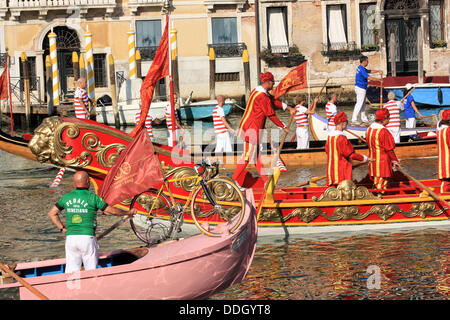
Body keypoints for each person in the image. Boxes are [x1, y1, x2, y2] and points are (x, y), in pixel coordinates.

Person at [47, 171, 136, 273]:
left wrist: (62, 228)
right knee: (91, 272)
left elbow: (52, 213)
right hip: (87, 239)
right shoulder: (93, 197)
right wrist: (128, 212)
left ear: (75, 183)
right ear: (87, 181)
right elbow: (112, 211)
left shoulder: (66, 197)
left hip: (71, 239)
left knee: (71, 272)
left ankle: (72, 287)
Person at [232, 72, 292, 188]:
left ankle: (266, 182)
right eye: (273, 82)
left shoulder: (258, 91)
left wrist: (288, 108)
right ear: (268, 82)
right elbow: (270, 114)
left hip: (252, 128)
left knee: (256, 157)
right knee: (247, 157)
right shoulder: (261, 96)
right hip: (251, 129)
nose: (274, 84)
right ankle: (232, 182)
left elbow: (274, 101)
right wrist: (283, 126)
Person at [325, 112, 369, 186]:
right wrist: (365, 158)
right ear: (342, 123)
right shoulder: (341, 137)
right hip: (342, 171)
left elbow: (327, 151)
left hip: (331, 170)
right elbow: (351, 155)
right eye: (346, 122)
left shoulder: (329, 138)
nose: (347, 125)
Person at [366, 108, 401, 191]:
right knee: (382, 185)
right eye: (388, 118)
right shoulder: (383, 131)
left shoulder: (369, 129)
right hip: (382, 163)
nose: (389, 120)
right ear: (384, 119)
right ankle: (380, 199)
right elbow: (389, 149)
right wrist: (395, 161)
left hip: (372, 160)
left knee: (377, 181)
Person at [352, 55, 383, 125]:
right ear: (364, 61)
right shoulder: (361, 69)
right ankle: (354, 119)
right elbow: (369, 78)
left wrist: (378, 71)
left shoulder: (360, 68)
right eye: (367, 60)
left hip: (361, 88)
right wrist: (379, 80)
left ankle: (363, 118)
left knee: (363, 103)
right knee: (359, 103)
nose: (368, 62)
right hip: (360, 88)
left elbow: (369, 71)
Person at [436, 109, 450, 193]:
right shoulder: (448, 130)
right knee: (446, 183)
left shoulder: (440, 131)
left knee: (445, 182)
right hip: (448, 161)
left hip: (443, 161)